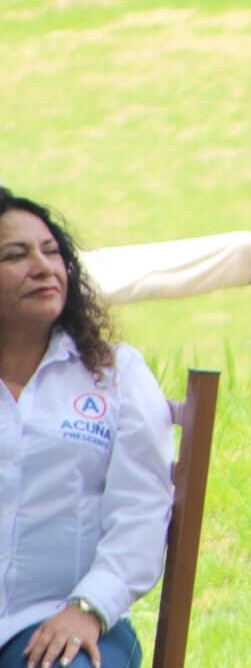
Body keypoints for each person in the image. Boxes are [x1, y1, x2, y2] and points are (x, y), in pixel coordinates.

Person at [0, 189, 173, 668]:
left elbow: (142, 510)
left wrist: (88, 607)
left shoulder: (117, 374)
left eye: (51, 251)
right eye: (15, 255)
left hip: (59, 618)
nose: (43, 267)